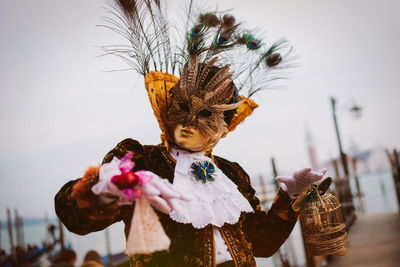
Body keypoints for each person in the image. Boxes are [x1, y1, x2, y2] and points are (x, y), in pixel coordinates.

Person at [55, 1, 326, 266]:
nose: (190, 122)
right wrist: (100, 191)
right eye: (182, 108)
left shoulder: (231, 175)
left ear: (223, 127)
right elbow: (76, 219)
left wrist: (290, 199)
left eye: (207, 115)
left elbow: (263, 244)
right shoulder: (141, 160)